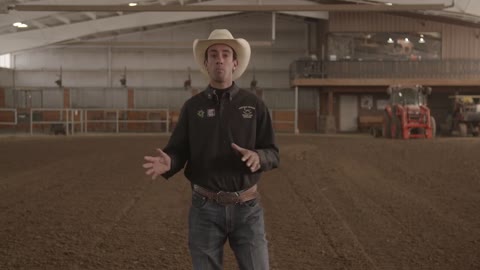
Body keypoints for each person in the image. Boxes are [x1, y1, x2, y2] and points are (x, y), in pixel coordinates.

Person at [143, 29, 279, 270]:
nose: (220, 59)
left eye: (226, 54)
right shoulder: (192, 107)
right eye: (213, 54)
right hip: (204, 208)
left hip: (247, 208)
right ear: (206, 63)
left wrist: (259, 156)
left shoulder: (254, 105)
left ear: (235, 62)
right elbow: (178, 150)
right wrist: (170, 162)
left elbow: (272, 152)